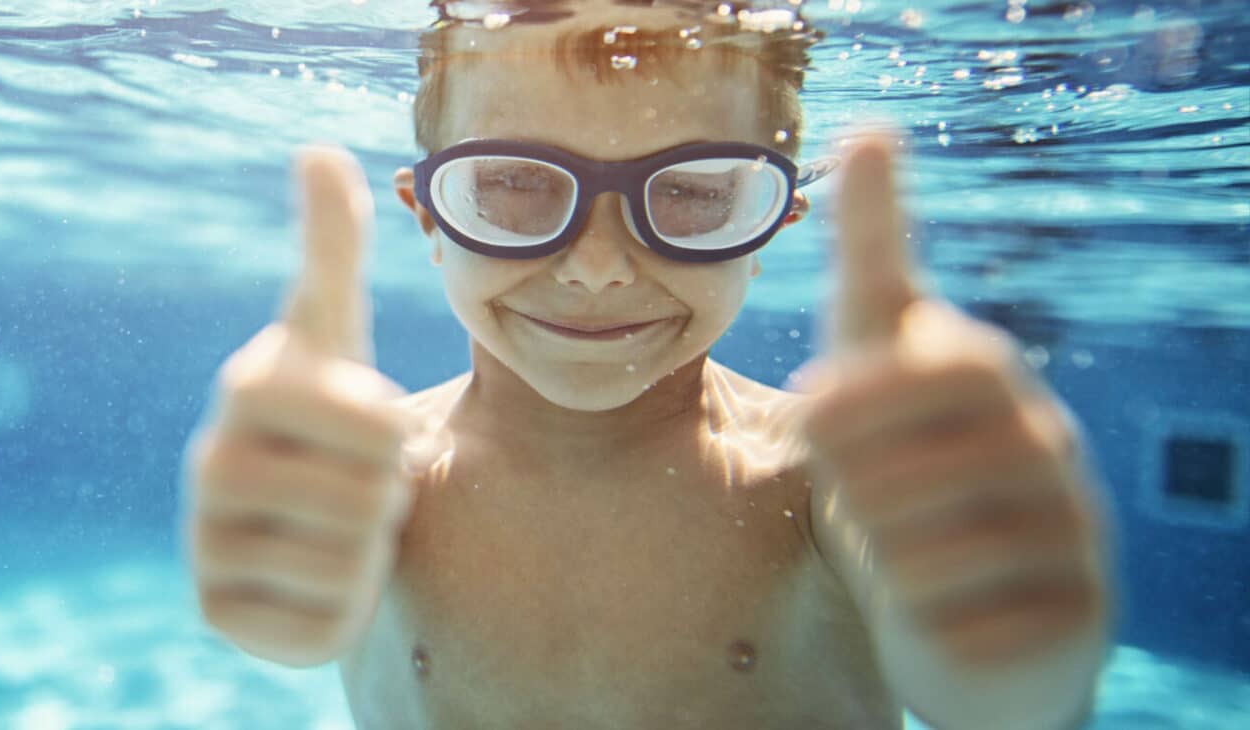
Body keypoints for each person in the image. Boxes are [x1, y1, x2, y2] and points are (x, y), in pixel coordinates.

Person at [181, 2, 1115, 727]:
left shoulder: (818, 481)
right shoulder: (373, 487)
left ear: (767, 227)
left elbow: (995, 697)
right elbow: (296, 622)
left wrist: (1023, 665)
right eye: (513, 184)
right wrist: (267, 605)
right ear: (430, 213)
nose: (597, 267)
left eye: (696, 194)